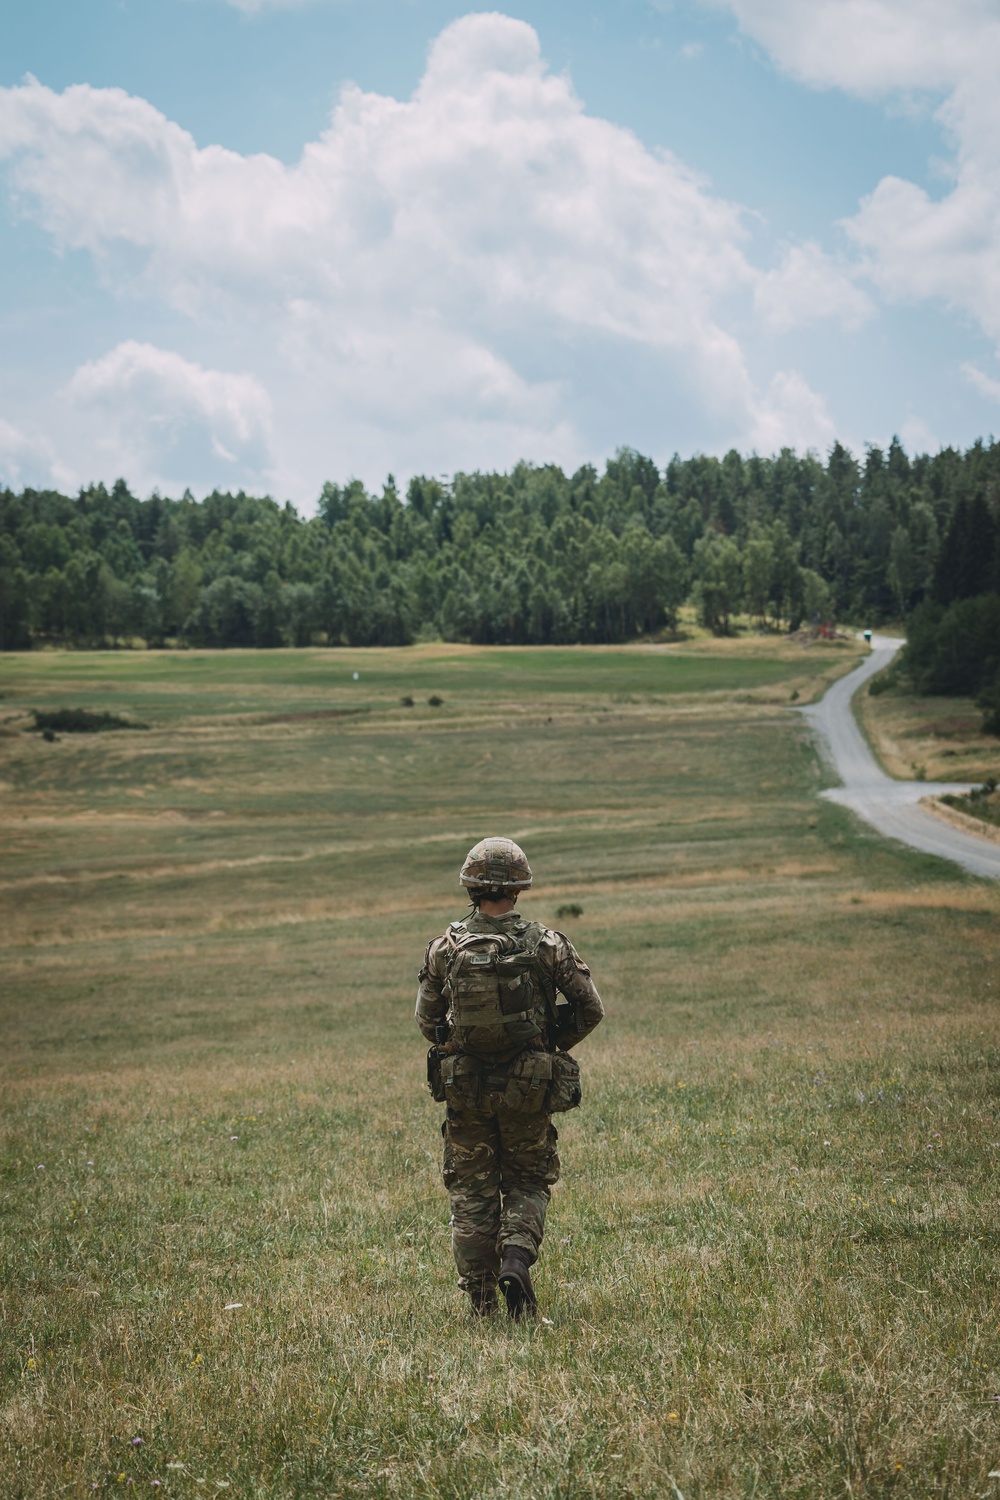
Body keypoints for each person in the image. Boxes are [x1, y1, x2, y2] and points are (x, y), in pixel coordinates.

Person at [416, 837, 604, 1319]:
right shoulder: (546, 944)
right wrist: (547, 1044)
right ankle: (516, 1261)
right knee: (528, 1181)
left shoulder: (446, 947)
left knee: (470, 1193)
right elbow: (590, 1008)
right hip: (529, 1086)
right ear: (519, 889)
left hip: (467, 1091)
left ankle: (482, 1305)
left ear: (470, 886)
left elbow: (426, 1022)